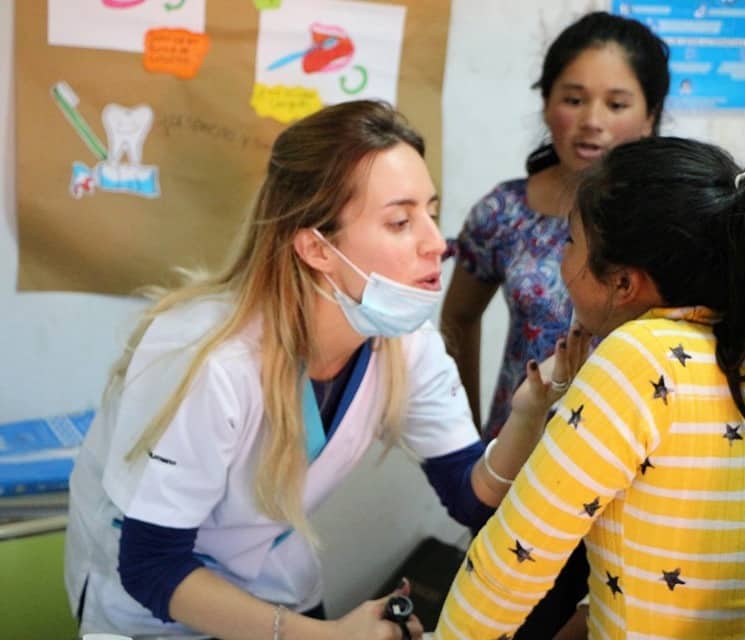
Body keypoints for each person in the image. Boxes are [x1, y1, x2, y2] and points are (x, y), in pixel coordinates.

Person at [63, 99, 586, 640]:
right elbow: (152, 564)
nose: (438, 243)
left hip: (272, 580)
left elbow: (469, 496)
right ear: (316, 247)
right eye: (401, 221)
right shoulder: (210, 361)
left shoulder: (404, 343)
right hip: (155, 609)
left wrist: (528, 413)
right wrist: (329, 637)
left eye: (431, 212)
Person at [435, 136, 745, 639]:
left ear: (623, 283)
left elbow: (514, 559)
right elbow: (658, 548)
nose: (562, 259)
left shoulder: (636, 357)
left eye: (571, 241)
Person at [441, 10, 670, 441]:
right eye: (574, 100)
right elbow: (458, 317)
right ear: (546, 104)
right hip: (516, 456)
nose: (592, 121)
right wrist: (461, 439)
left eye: (616, 105)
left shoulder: (674, 219)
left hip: (633, 457)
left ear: (649, 116)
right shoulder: (503, 212)